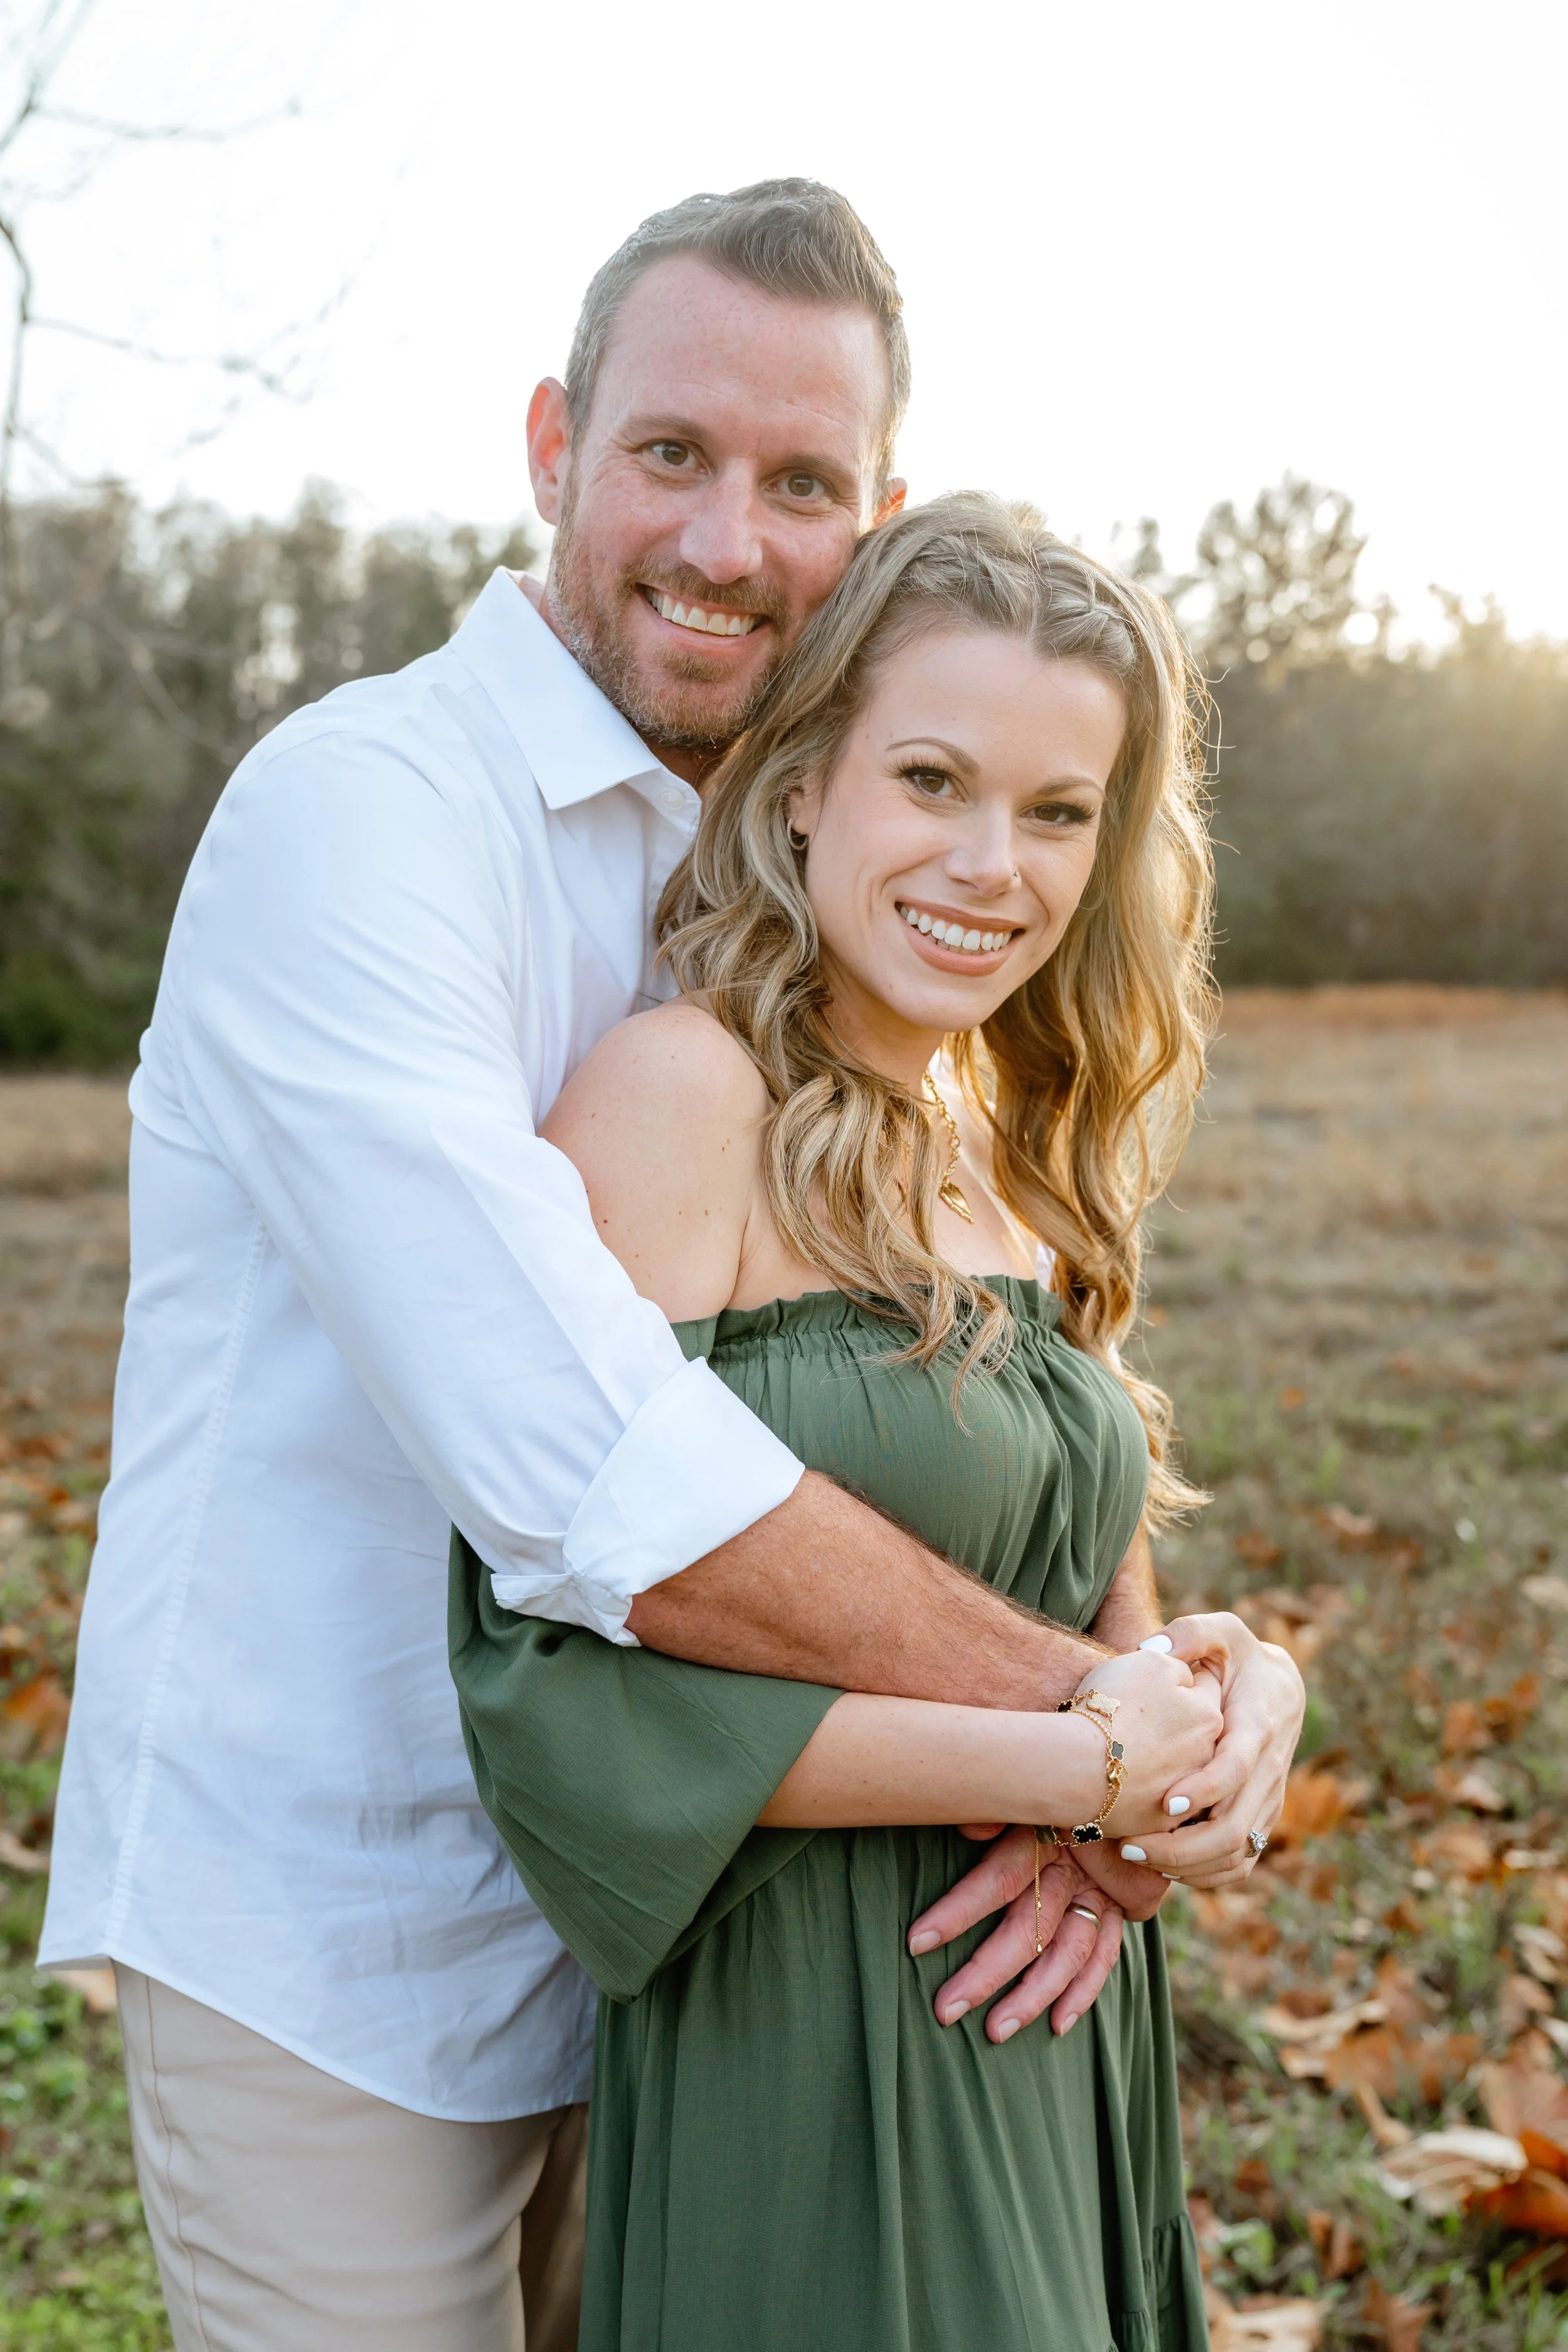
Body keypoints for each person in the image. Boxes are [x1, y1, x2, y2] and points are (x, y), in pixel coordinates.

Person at [41, 180, 1301, 2352]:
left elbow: (993, 1440)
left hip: (717, 1964)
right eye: (668, 454)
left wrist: (1199, 1680)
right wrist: (1097, 1743)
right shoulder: (368, 816)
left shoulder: (835, 925)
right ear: (553, 446)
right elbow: (584, 1456)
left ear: (871, 522)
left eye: (798, 482)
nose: (726, 539)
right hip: (350, 1928)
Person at [452, 494, 1239, 2349]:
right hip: (804, 2038)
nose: (993, 865)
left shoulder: (1013, 1146)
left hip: (1059, 2016)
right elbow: (558, 1685)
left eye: (1059, 811)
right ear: (803, 781)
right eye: (932, 780)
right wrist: (1077, 1774)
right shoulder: (676, 1099)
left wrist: (1224, 1710)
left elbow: (1082, 1597)